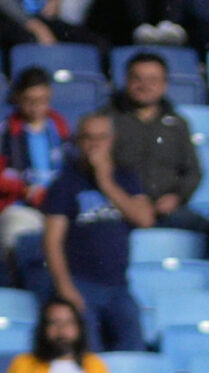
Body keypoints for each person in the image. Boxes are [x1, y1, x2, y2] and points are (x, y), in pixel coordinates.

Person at [43, 110, 154, 353]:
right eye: (88, 138)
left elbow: (145, 218)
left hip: (118, 286)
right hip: (81, 284)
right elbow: (52, 241)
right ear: (78, 141)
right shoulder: (65, 183)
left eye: (101, 137)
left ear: (111, 140)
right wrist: (65, 287)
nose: (95, 145)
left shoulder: (125, 177)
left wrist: (106, 182)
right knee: (89, 353)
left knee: (134, 347)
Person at [110, 52, 204, 233]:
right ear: (127, 81)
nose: (144, 86)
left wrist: (176, 197)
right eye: (138, 79)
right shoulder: (107, 121)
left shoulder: (177, 124)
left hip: (168, 211)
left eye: (152, 80)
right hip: (120, 210)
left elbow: (193, 171)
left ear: (164, 84)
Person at [0, 70, 69, 247]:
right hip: (20, 207)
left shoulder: (59, 127)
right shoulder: (6, 131)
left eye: (43, 100)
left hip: (57, 206)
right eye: (30, 101)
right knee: (15, 233)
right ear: (18, 98)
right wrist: (24, 190)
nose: (36, 107)